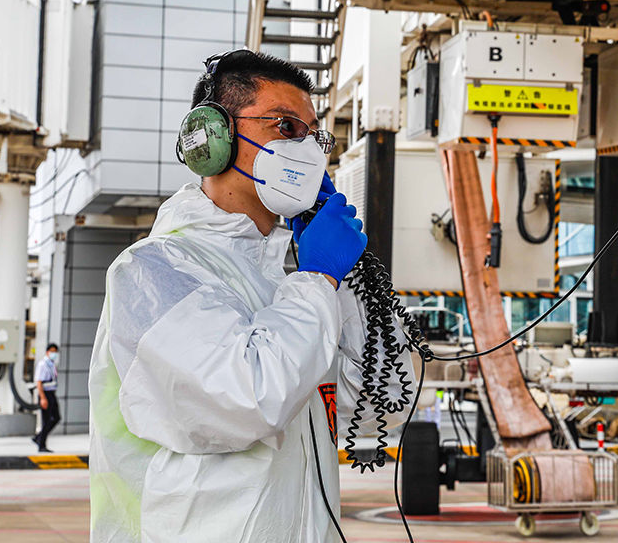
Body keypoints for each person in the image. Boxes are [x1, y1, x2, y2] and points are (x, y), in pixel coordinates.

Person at [88, 49, 415, 543]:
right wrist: (320, 278)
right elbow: (250, 397)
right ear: (213, 139)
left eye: (313, 136)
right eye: (285, 127)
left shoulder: (285, 284)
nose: (306, 151)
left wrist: (349, 280)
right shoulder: (151, 272)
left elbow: (382, 400)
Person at [34, 343, 61, 452]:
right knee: (46, 420)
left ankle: (38, 438)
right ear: (47, 352)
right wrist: (43, 398)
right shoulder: (43, 364)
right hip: (45, 394)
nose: (53, 354)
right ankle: (42, 445)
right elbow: (39, 382)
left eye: (55, 351)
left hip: (52, 393)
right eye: (52, 351)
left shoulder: (51, 363)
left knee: (56, 417)